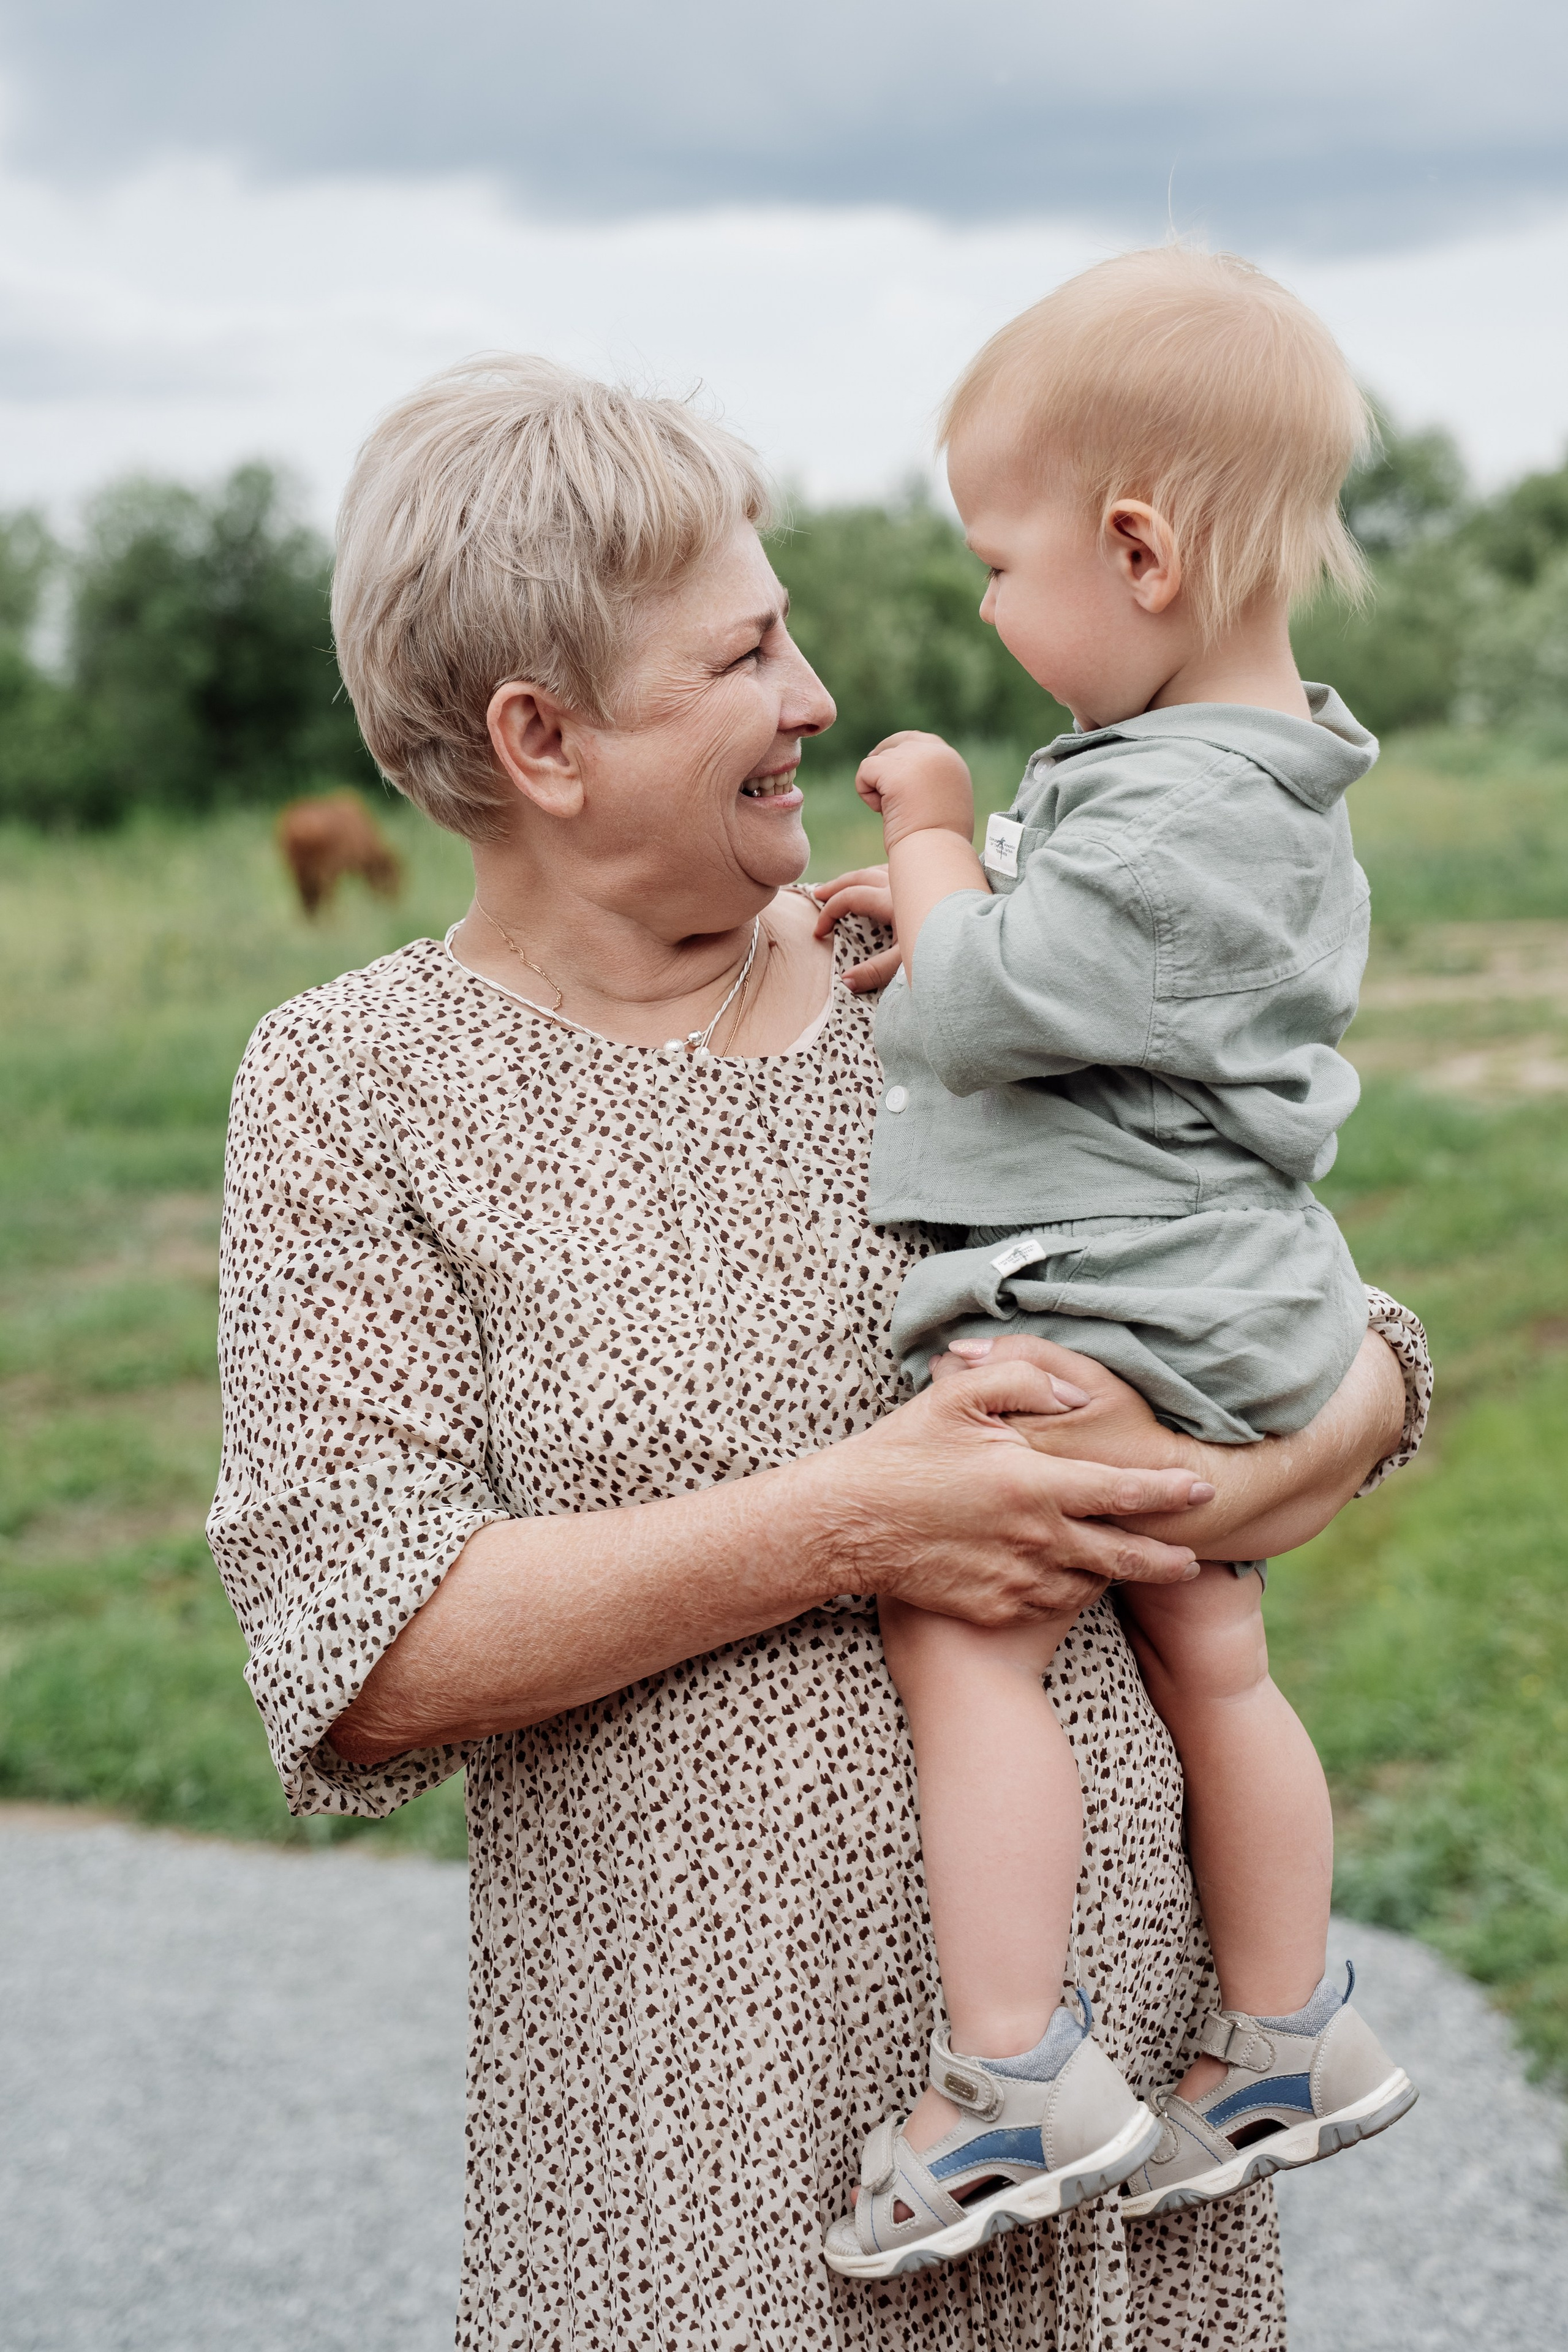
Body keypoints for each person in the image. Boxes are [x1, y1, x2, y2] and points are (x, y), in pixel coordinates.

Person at [207, 353, 1429, 2351]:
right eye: (745, 659)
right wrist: (866, 1518)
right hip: (694, 2124)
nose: (815, 704)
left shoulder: (974, 958)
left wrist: (1270, 1451)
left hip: (1108, 2120)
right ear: (543, 739)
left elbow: (1313, 1309)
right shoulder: (358, 1086)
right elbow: (366, 1652)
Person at [816, 249, 1419, 2282]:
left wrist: (930, 832)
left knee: (964, 1630)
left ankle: (1008, 2077)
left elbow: (977, 1015)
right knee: (1211, 1649)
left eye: (998, 561)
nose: (986, 608)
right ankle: (1289, 2031)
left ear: (1138, 547)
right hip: (1233, 1299)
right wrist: (962, 921)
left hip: (1131, 1311)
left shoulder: (1165, 813)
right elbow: (1075, 1005)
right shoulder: (1250, 791)